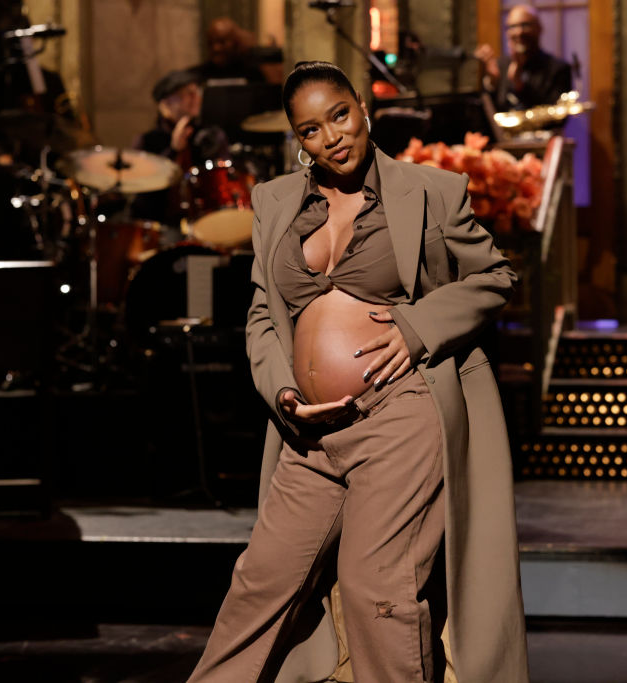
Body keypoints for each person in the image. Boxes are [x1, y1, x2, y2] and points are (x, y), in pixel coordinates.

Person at [188, 61, 528, 682]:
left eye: (340, 115)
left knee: (378, 589)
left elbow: (495, 275)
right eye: (311, 129)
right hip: (310, 433)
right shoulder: (275, 202)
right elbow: (263, 314)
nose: (332, 137)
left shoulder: (430, 190)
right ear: (298, 139)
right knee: (260, 582)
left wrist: (417, 328)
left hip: (400, 415)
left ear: (362, 108)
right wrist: (284, 391)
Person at [131, 69, 228, 226]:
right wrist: (174, 149)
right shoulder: (147, 141)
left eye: (197, 92)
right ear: (165, 104)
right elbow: (144, 192)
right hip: (161, 223)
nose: (195, 98)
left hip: (207, 220)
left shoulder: (211, 135)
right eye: (187, 94)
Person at [474, 4, 573, 111]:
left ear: (539, 28)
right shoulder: (500, 66)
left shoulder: (558, 69)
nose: (519, 32)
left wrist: (519, 84)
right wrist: (492, 83)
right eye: (513, 27)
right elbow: (491, 111)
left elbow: (556, 114)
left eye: (525, 25)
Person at [193, 16, 267, 85]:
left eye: (222, 42)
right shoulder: (198, 74)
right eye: (210, 42)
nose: (215, 48)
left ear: (235, 42)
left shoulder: (252, 73)